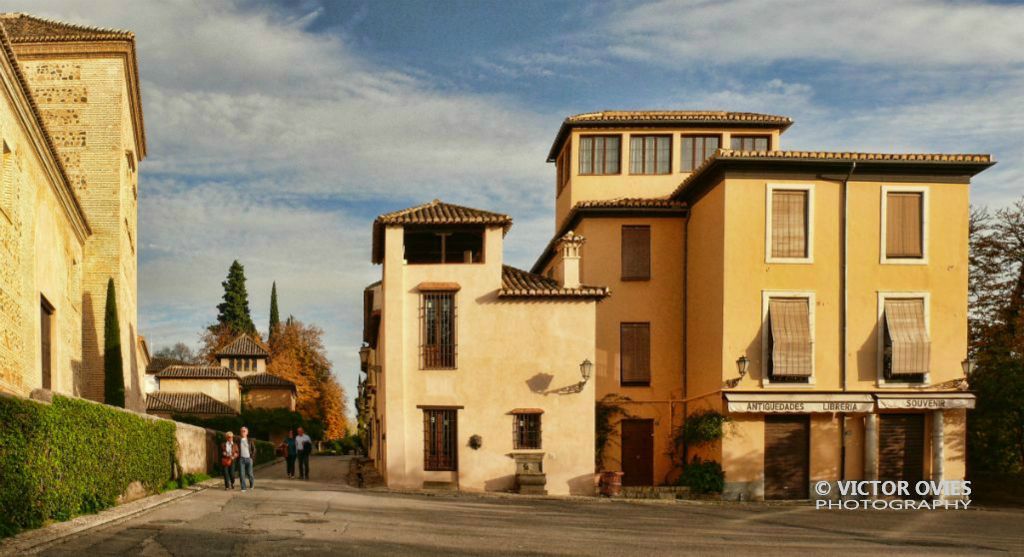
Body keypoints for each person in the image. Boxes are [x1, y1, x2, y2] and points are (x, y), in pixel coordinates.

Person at [238, 426, 257, 492]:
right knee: (241, 474)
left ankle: (252, 484)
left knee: (250, 473)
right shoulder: (238, 440)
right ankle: (243, 488)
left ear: (247, 432)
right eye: (241, 431)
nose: (243, 432)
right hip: (241, 459)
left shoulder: (250, 440)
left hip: (249, 459)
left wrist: (251, 458)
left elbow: (254, 449)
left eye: (244, 431)